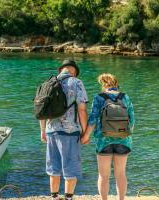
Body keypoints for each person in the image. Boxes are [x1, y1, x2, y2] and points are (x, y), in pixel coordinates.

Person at [39, 59, 88, 200]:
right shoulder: (77, 83)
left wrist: (42, 131)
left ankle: (54, 197)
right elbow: (82, 110)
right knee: (70, 167)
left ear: (61, 70)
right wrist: (84, 131)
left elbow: (41, 110)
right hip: (70, 131)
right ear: (74, 72)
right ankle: (68, 197)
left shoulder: (48, 83)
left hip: (51, 130)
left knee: (53, 167)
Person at [81, 73, 135, 200]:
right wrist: (125, 135)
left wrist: (86, 136)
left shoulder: (99, 97)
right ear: (116, 84)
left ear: (103, 84)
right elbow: (132, 121)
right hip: (123, 140)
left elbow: (93, 119)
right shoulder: (125, 97)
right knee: (121, 174)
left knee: (103, 175)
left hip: (103, 141)